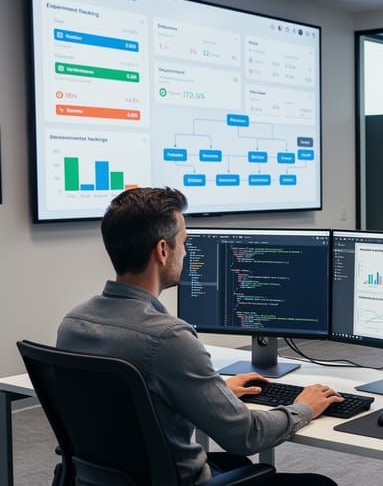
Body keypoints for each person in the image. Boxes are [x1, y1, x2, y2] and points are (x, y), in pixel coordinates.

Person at [56, 187, 340, 486]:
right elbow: (246, 435)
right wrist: (305, 407)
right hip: (175, 480)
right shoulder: (168, 338)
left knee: (235, 465)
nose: (187, 252)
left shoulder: (74, 323)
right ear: (163, 250)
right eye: (185, 243)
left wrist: (216, 392)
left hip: (107, 480)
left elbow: (133, 408)